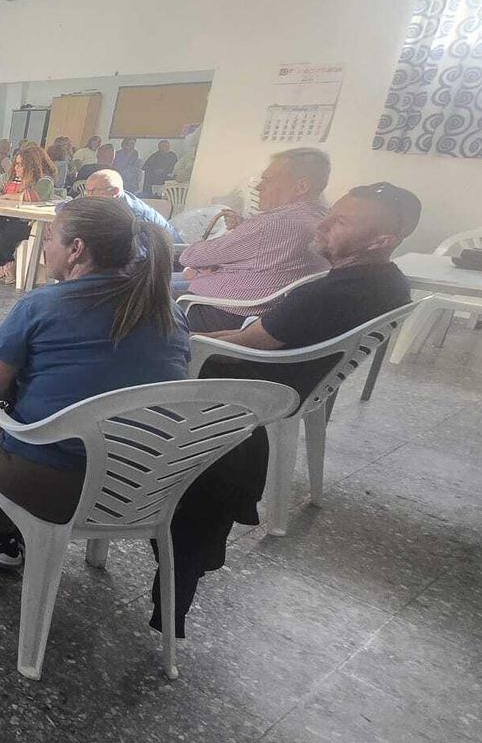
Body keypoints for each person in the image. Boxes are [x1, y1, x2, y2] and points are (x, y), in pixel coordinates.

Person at [165, 184, 420, 633]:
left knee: (147, 340)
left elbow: (244, 345)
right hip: (306, 378)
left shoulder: (333, 293)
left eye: (341, 221)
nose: (322, 224)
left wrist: (174, 348)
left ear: (382, 240)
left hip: (260, 383)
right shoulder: (386, 281)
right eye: (332, 213)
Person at [0, 196, 189, 567]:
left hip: (55, 484)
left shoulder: (41, 306)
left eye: (50, 237)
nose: (44, 246)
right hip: (144, 484)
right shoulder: (169, 312)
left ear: (76, 250)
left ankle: (0, 537)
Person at [178, 148, 332, 332]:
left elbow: (190, 257)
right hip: (258, 308)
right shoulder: (323, 217)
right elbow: (268, 252)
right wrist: (243, 227)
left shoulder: (273, 223)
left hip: (219, 312)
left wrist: (240, 233)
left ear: (301, 187)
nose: (259, 187)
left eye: (268, 179)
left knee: (144, 293)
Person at [0, 142, 57, 283]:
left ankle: (9, 268)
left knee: (3, 241)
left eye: (20, 164)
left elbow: (32, 197)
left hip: (28, 222)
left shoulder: (45, 180)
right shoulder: (11, 176)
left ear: (32, 166)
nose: (16, 167)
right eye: (16, 163)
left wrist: (6, 196)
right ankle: (7, 264)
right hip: (7, 217)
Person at [84, 169, 181, 243]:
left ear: (115, 192)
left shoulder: (134, 215)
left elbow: (138, 254)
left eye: (93, 191)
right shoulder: (111, 202)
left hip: (167, 256)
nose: (88, 196)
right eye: (87, 191)